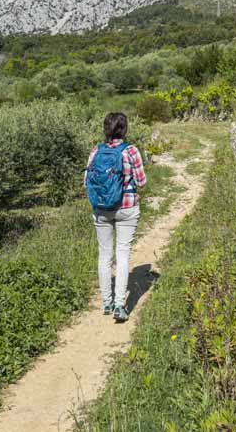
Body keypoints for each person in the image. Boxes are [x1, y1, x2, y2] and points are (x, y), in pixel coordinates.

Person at [84, 112, 147, 322]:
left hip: (101, 210)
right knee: (122, 253)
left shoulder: (95, 151)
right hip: (126, 207)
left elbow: (86, 181)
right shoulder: (130, 151)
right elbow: (142, 181)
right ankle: (121, 305)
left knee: (104, 255)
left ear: (106, 129)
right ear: (124, 129)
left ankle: (106, 302)